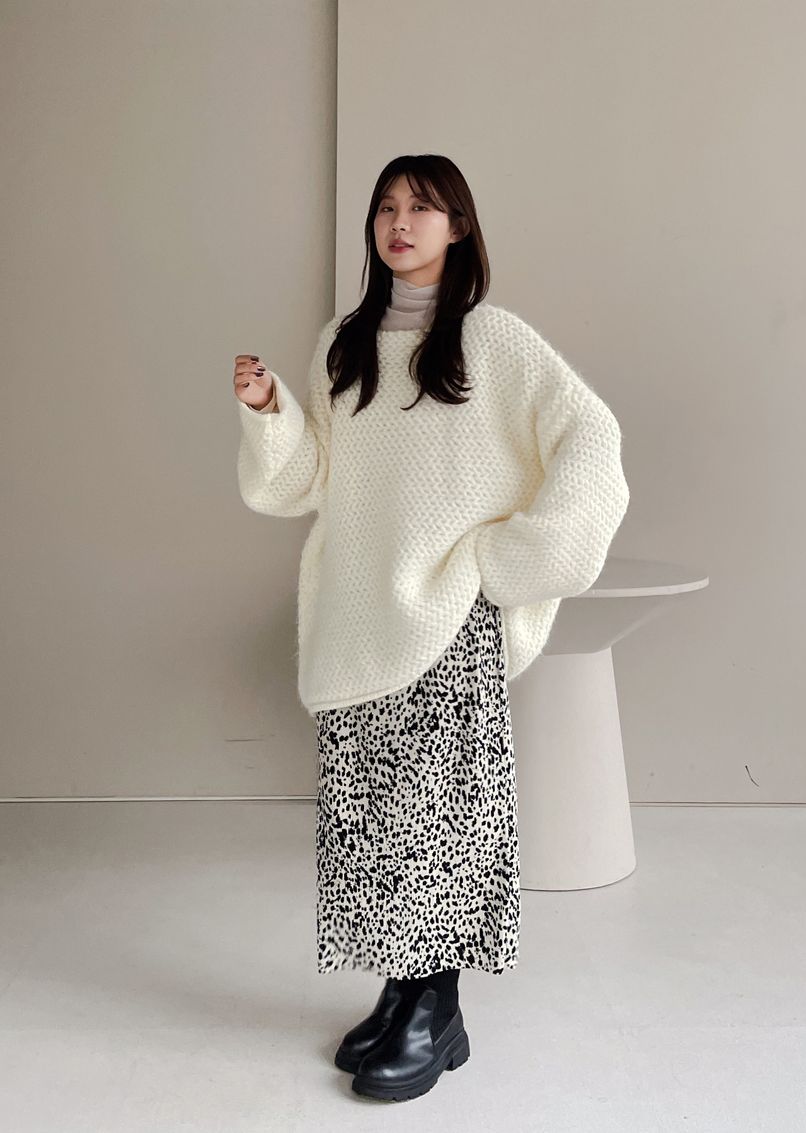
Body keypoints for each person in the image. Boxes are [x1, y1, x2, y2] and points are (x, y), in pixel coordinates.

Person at [232, 154, 630, 1102]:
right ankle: (405, 994)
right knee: (376, 821)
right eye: (385, 206)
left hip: (448, 618)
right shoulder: (345, 344)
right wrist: (272, 410)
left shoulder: (495, 342)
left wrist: (504, 562)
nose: (399, 222)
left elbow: (593, 440)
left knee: (437, 822)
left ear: (460, 226)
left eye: (422, 206)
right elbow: (308, 481)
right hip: (357, 616)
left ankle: (437, 1009)